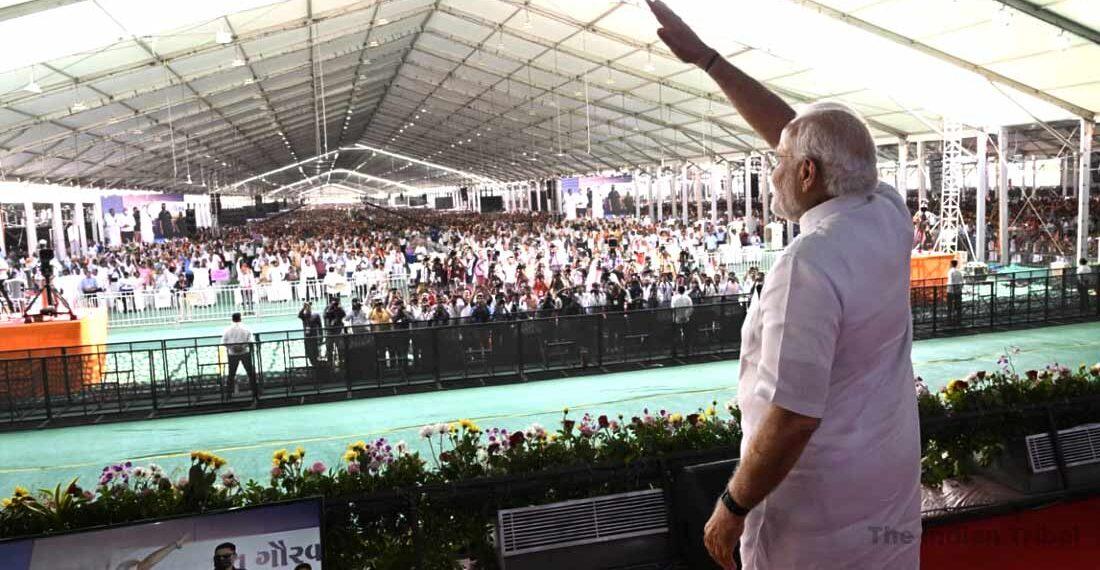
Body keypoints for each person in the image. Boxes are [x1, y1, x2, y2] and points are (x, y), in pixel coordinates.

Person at [648, 2, 920, 568]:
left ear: (806, 176)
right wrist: (709, 61)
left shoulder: (808, 264)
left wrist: (732, 504)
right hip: (884, 492)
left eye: (779, 163)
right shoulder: (887, 212)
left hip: (813, 520)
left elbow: (794, 416)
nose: (771, 172)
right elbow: (809, 138)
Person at [221, 313, 258, 402]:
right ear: (240, 319)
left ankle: (229, 394)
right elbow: (250, 341)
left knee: (231, 374)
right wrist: (243, 347)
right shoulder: (246, 328)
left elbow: (223, 342)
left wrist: (232, 348)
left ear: (232, 319)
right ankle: (255, 392)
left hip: (232, 354)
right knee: (250, 372)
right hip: (245, 353)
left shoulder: (227, 330)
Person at [670, 284, 694, 357]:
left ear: (678, 290)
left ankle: (674, 352)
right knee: (687, 335)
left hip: (677, 319)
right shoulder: (688, 298)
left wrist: (676, 316)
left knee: (675, 335)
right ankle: (687, 351)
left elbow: (672, 308)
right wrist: (687, 315)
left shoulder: (674, 298)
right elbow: (691, 308)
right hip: (686, 319)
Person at [946, 258, 964, 324]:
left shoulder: (950, 272)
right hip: (958, 291)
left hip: (951, 291)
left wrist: (953, 290)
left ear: (951, 264)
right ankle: (958, 320)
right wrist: (960, 289)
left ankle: (949, 320)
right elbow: (962, 282)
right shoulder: (959, 272)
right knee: (958, 306)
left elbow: (951, 282)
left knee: (950, 306)